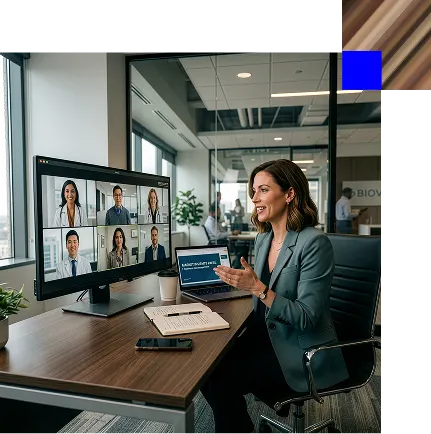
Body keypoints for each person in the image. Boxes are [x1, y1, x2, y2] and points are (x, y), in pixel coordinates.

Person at [201, 159, 349, 434]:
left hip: (302, 351)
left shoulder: (314, 243)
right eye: (254, 191)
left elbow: (305, 317)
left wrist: (258, 288)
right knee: (204, 368)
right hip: (266, 338)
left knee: (221, 380)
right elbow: (260, 301)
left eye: (263, 190)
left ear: (290, 194)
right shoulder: (264, 239)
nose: (254, 198)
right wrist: (234, 291)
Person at [204, 204, 248, 268]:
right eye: (218, 213)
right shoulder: (210, 222)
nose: (219, 214)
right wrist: (231, 233)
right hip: (219, 242)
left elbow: (222, 232)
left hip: (221, 241)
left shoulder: (214, 221)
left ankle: (237, 264)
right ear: (212, 213)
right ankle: (237, 265)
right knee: (242, 248)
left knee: (243, 247)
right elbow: (218, 235)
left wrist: (230, 232)